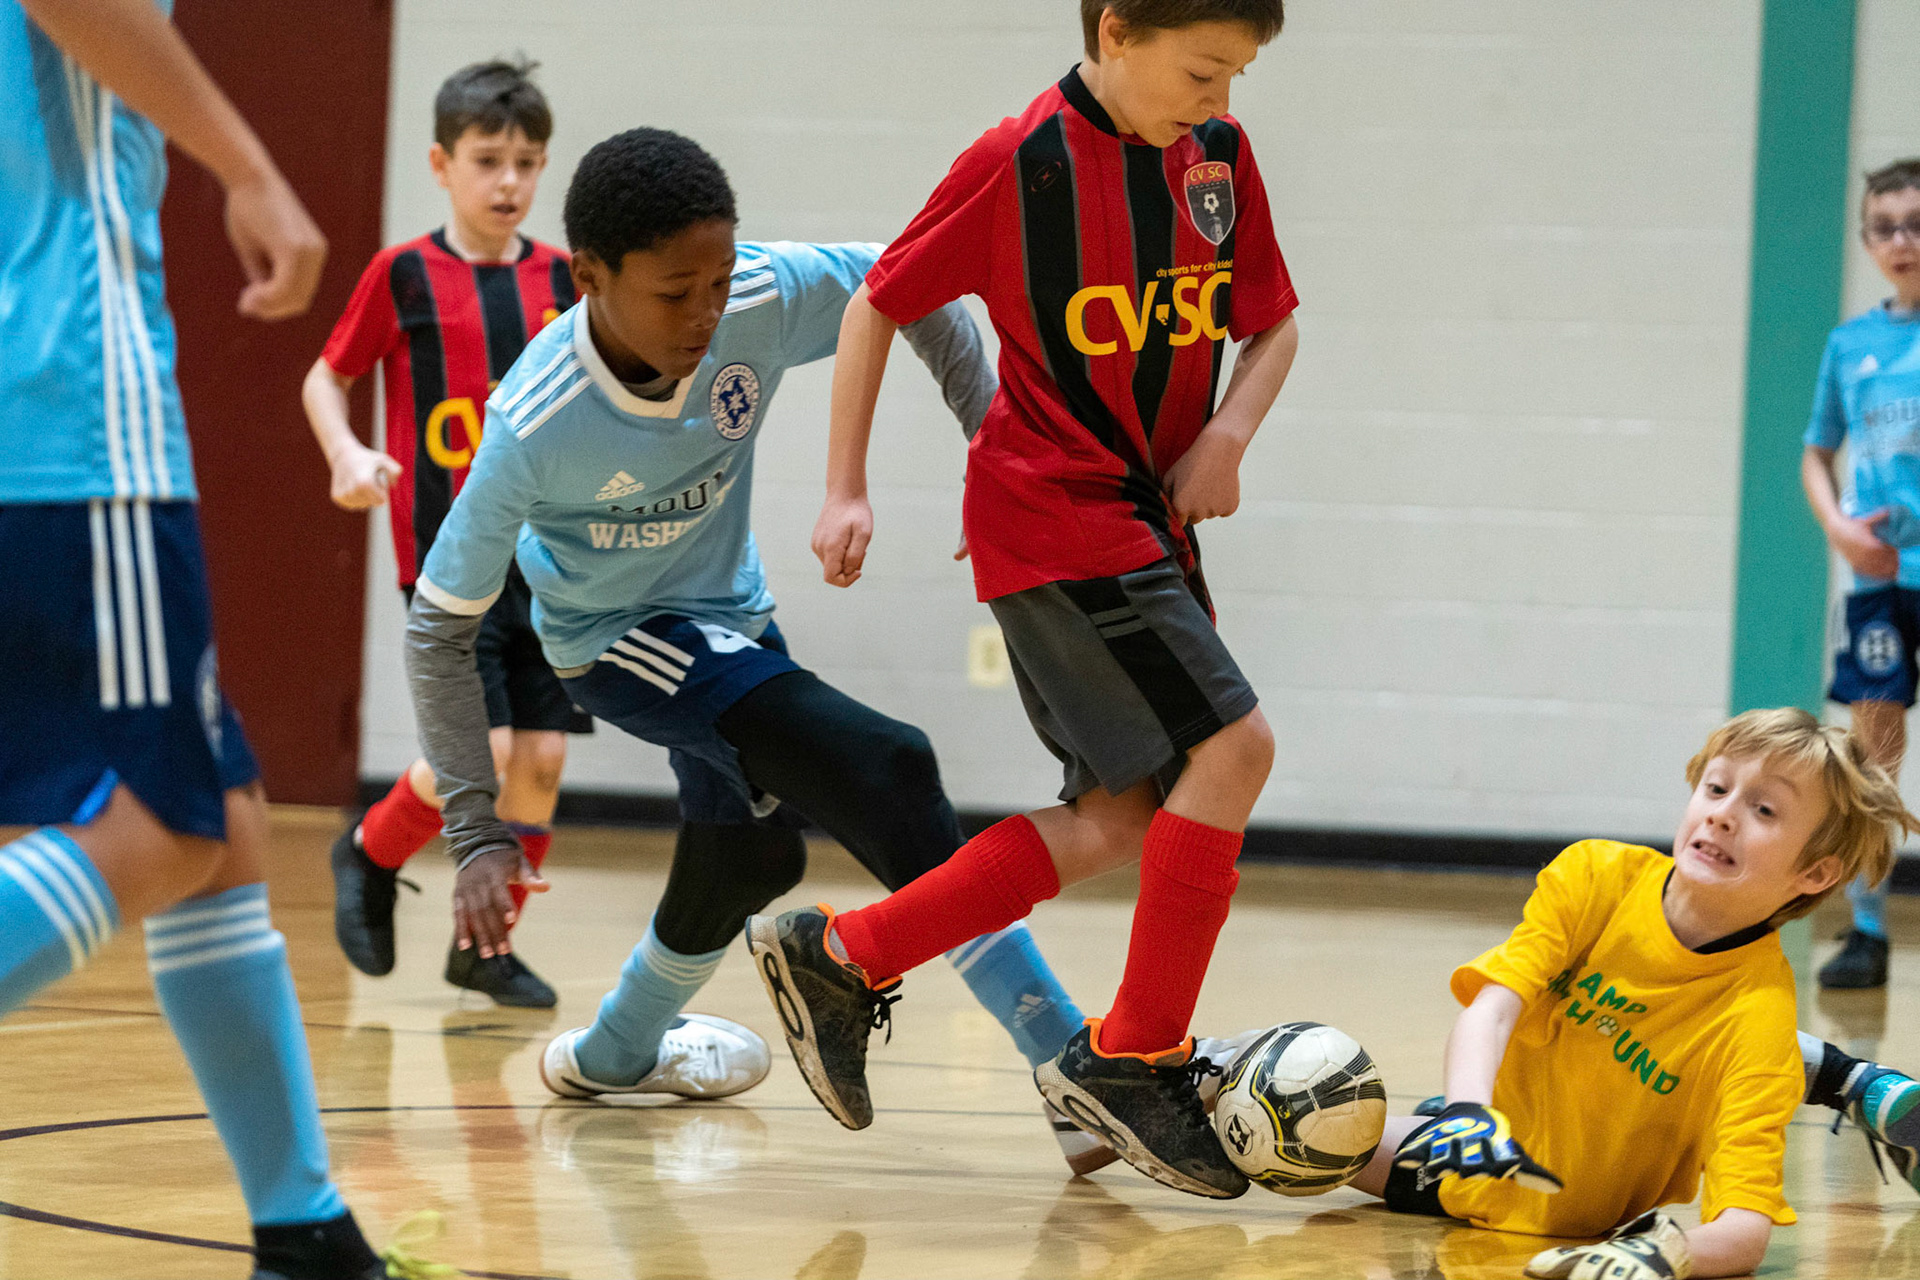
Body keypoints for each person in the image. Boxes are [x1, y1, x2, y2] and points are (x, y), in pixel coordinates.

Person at [402, 126, 1244, 1172]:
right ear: (589, 277)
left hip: (730, 622)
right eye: (676, 292)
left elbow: (907, 287)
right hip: (617, 642)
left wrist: (993, 451)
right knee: (890, 767)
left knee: (750, 856)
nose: (708, 313)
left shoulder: (757, 295)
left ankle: (616, 1050)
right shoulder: (536, 419)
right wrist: (477, 827)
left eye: (718, 280)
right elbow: (439, 624)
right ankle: (1068, 1068)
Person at [751, 0, 1295, 1201]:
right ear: (1113, 30)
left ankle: (842, 952)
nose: (1221, 99)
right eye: (1204, 70)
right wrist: (845, 486)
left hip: (1147, 516)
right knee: (1236, 748)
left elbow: (1276, 323)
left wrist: (1229, 435)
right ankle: (1135, 1054)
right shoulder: (1017, 163)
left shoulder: (1218, 158)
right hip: (1057, 507)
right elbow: (876, 301)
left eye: (1238, 76)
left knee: (1121, 817)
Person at [0, 1, 402, 1276]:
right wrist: (250, 167)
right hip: (66, 405)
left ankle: (304, 1231)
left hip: (50, 401)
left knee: (225, 823)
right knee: (156, 817)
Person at [1345, 709, 1920, 1280]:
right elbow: (1491, 1010)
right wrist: (1468, 1115)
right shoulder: (1595, 876)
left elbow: (1744, 1230)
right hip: (1461, 1158)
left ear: (1816, 874)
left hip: (1570, 1215)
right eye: (1716, 788)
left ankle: (1840, 1076)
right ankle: (1841, 1076)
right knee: (1283, 1109)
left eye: (1763, 809)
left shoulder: (1757, 1017)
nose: (1721, 815)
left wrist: (1660, 1254)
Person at [303, 58, 580, 1008]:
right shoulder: (404, 272)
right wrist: (345, 453)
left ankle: (486, 949)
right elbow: (324, 376)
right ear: (441, 162)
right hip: (446, 563)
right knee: (488, 754)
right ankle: (369, 851)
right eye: (488, 159)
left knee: (540, 766)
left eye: (528, 162)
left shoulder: (562, 280)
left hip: (547, 565)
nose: (510, 181)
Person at [1802, 156, 1920, 991]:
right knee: (1876, 753)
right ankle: (1869, 930)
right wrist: (1841, 529)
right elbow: (1816, 452)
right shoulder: (1851, 344)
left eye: (1915, 222)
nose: (1901, 240)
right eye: (1885, 226)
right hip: (1879, 580)